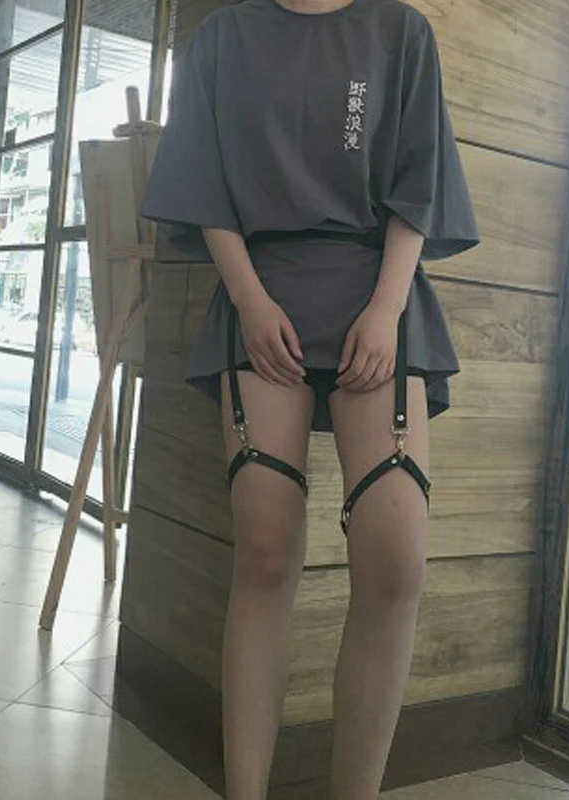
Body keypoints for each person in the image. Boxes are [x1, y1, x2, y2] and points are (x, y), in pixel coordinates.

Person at [140, 1, 479, 798]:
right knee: (264, 548)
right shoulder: (220, 39)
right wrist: (250, 302)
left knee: (396, 560)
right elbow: (205, 186)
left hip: (376, 293)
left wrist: (387, 308)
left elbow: (419, 182)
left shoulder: (402, 32)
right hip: (261, 291)